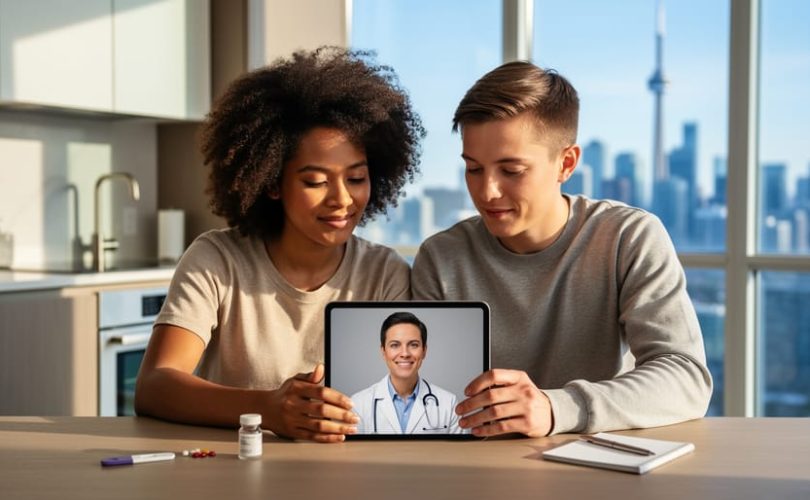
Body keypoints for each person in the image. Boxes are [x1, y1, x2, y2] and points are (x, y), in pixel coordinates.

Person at [135, 47, 425, 443]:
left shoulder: (384, 273)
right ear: (271, 181)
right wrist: (268, 409)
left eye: (356, 178)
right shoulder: (217, 260)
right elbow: (154, 385)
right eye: (315, 181)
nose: (341, 199)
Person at [411, 61, 712, 438]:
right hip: (477, 472)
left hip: (600, 470)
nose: (487, 191)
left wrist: (555, 408)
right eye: (474, 169)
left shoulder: (628, 237)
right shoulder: (441, 258)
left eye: (512, 170)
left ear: (566, 163)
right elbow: (425, 402)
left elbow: (686, 377)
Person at [350, 312, 462, 434]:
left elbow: (461, 452)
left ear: (424, 351)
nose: (405, 353)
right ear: (383, 351)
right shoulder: (359, 404)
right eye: (395, 345)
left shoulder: (449, 403)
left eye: (413, 345)